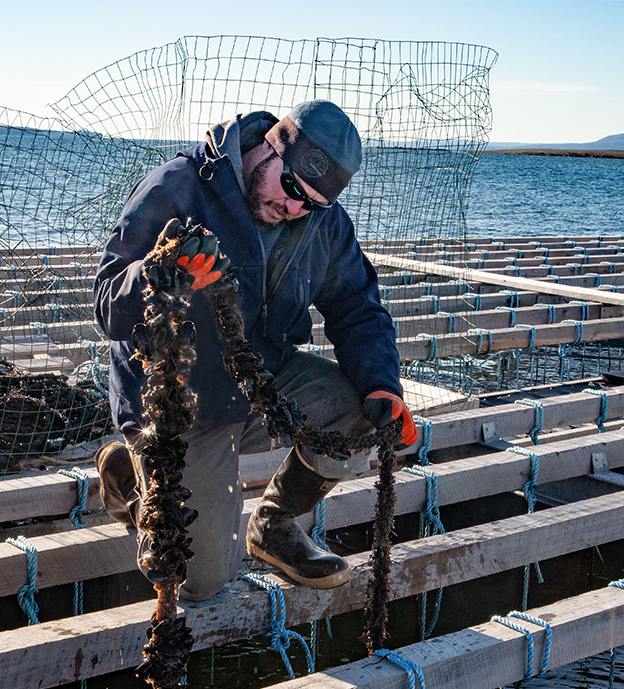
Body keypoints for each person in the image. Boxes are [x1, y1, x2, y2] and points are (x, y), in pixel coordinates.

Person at [93, 100, 418, 601]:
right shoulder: (178, 185)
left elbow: (358, 307)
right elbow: (106, 304)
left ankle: (275, 525)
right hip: (177, 404)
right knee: (198, 582)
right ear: (269, 147)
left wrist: (383, 385)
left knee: (363, 419)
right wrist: (162, 276)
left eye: (312, 202)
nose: (294, 207)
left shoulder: (323, 225)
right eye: (290, 187)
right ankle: (133, 481)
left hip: (259, 387)